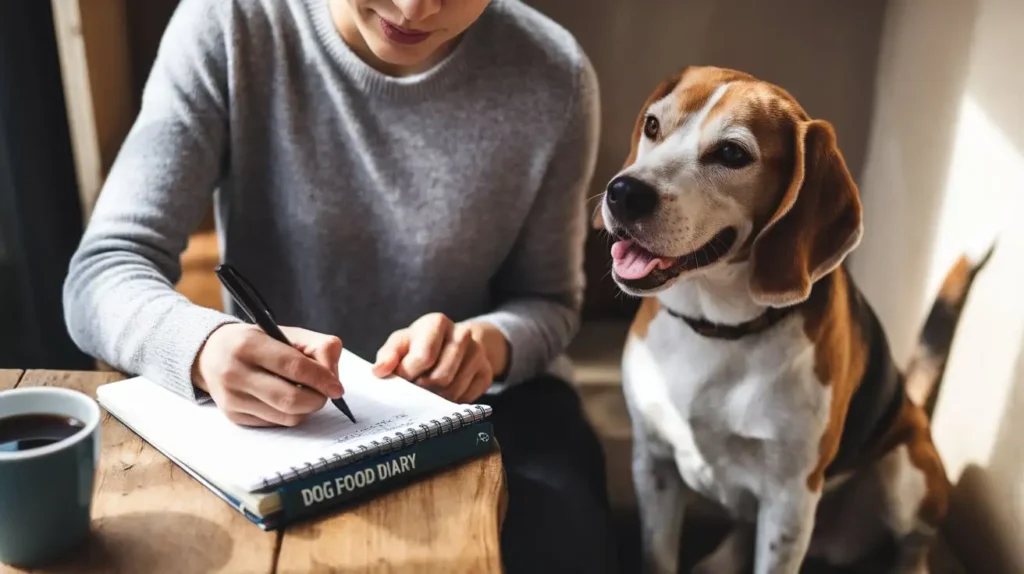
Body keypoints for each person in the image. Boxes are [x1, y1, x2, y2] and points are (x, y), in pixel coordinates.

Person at [63, 0, 617, 571]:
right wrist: (204, 348)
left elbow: (549, 302)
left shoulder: (553, 73)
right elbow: (103, 270)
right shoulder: (231, 23)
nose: (414, 8)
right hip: (280, 426)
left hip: (493, 408)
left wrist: (485, 345)